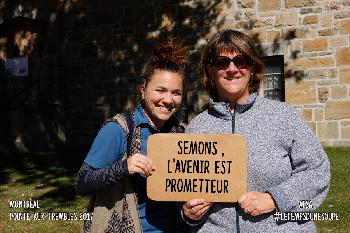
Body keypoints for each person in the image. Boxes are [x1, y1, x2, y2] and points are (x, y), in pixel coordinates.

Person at [182, 29, 330, 232]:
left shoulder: (283, 116)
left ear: (252, 68)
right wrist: (189, 215)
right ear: (210, 71)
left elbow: (317, 171)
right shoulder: (196, 128)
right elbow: (182, 192)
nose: (232, 69)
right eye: (222, 62)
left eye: (240, 61)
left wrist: (275, 198)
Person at [76, 41, 188, 233]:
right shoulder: (118, 130)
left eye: (176, 93)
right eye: (160, 90)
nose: (168, 100)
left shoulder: (180, 132)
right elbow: (83, 183)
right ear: (143, 90)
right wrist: (123, 167)